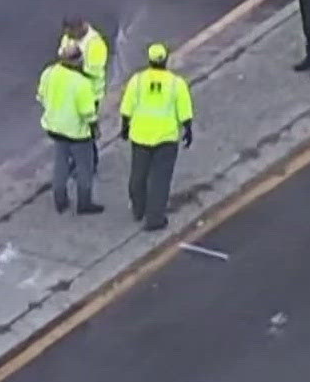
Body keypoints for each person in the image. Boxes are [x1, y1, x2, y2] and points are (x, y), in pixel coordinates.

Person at [118, 43, 194, 230]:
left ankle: (138, 209)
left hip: (140, 136)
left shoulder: (137, 80)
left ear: (149, 60)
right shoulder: (177, 83)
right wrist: (188, 130)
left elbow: (127, 108)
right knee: (160, 180)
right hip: (166, 138)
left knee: (138, 176)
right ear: (166, 59)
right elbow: (185, 111)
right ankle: (155, 219)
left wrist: (125, 128)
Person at [38, 41, 103, 214]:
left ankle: (60, 200)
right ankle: (84, 203)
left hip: (54, 127)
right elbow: (87, 111)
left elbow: (41, 96)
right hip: (77, 132)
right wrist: (94, 127)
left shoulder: (49, 73)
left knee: (60, 163)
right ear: (78, 60)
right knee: (84, 167)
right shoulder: (81, 82)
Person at [59, 17, 111, 106]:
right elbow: (61, 53)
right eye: (67, 33)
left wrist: (73, 62)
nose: (68, 36)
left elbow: (94, 72)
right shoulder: (69, 37)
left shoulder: (96, 44)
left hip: (91, 95)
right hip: (71, 93)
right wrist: (65, 55)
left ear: (80, 28)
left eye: (71, 33)